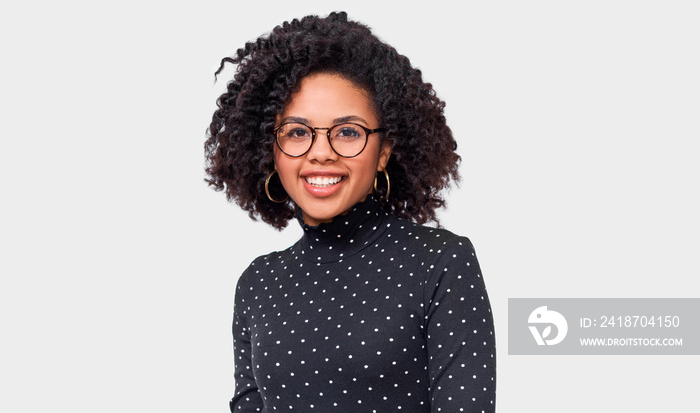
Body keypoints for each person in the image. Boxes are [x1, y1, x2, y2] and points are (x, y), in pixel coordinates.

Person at [205, 11, 496, 412]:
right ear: (271, 150)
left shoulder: (440, 263)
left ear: (384, 151)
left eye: (347, 132)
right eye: (297, 132)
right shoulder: (258, 283)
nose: (320, 152)